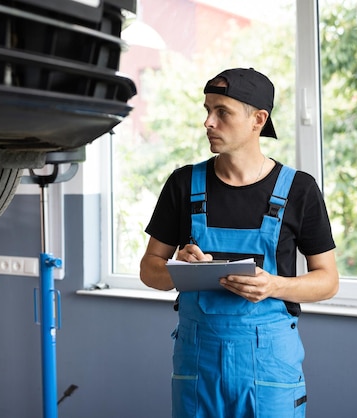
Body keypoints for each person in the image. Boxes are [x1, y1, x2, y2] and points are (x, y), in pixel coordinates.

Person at [139, 67, 339, 418]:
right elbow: (149, 270)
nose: (208, 123)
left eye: (222, 112)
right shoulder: (183, 184)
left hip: (270, 368)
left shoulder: (299, 190)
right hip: (198, 365)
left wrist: (274, 285)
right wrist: (178, 270)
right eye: (207, 110)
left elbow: (328, 280)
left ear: (258, 119)